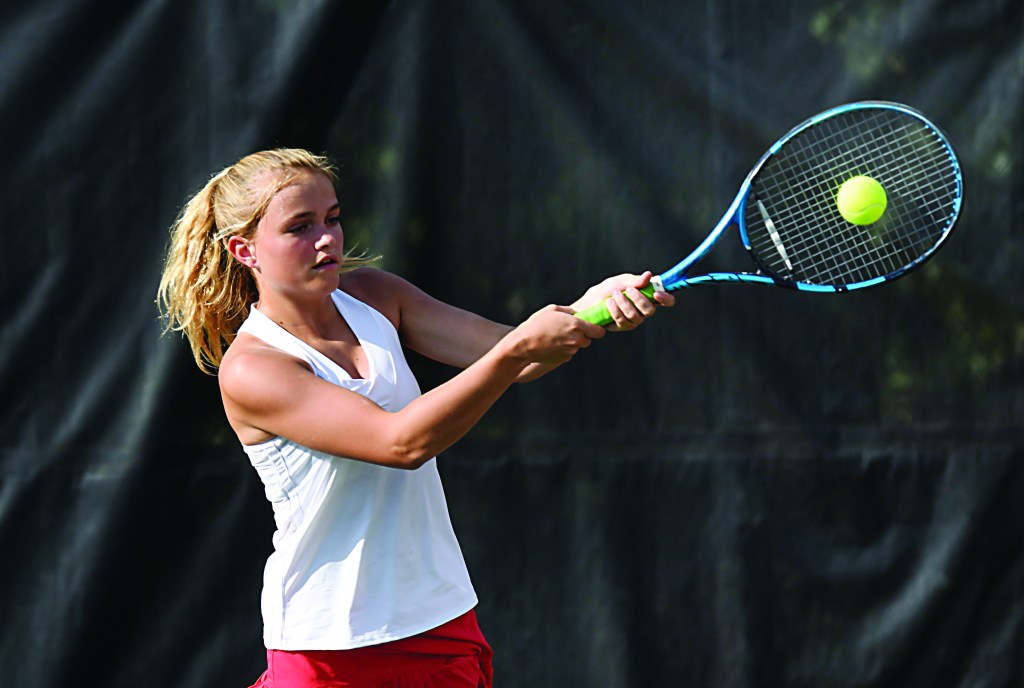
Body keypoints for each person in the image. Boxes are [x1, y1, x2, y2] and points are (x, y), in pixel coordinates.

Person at [157, 148, 673, 688]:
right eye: (300, 227)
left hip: (439, 620)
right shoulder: (253, 369)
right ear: (245, 250)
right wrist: (517, 350)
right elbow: (401, 443)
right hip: (330, 648)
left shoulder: (376, 295)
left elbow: (519, 358)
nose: (327, 239)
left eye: (332, 218)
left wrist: (590, 309)